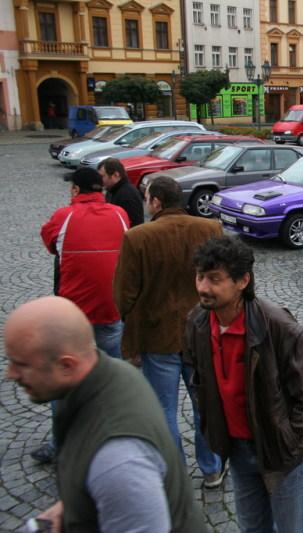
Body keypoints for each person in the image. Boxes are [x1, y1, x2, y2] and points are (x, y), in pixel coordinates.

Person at [4, 296, 206, 533]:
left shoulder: (118, 460)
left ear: (67, 365)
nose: (11, 374)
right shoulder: (115, 373)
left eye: (22, 364)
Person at [186, 236, 303, 532]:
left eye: (214, 279)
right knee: (252, 528)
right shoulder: (198, 322)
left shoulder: (276, 325)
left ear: (243, 281)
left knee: (291, 528)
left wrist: (289, 437)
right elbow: (195, 374)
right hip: (238, 450)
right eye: (200, 276)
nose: (203, 287)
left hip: (280, 454)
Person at [113, 176, 226, 488]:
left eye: (148, 198)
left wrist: (130, 329)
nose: (147, 204)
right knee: (205, 405)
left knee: (163, 409)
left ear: (157, 202)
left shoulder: (137, 237)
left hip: (157, 336)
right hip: (202, 334)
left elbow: (124, 294)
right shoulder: (209, 229)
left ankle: (172, 473)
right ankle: (212, 468)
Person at [34, 167, 130, 464]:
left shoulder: (63, 217)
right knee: (112, 379)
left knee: (62, 380)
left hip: (73, 318)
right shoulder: (119, 215)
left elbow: (51, 244)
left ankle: (62, 442)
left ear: (76, 190)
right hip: (111, 312)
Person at [99, 157, 144, 227]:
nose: (100, 180)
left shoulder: (128, 195)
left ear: (115, 175)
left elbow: (135, 225)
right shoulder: (111, 189)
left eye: (102, 176)